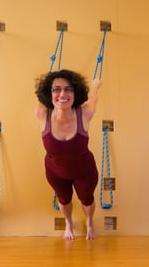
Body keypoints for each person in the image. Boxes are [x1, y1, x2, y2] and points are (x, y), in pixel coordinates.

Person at [35, 69, 102, 240]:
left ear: (76, 93)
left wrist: (94, 87)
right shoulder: (42, 114)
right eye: (56, 89)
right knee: (63, 200)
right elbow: (41, 96)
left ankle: (89, 222)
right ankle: (69, 224)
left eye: (68, 89)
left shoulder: (85, 114)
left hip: (84, 171)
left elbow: (93, 99)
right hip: (55, 172)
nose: (62, 94)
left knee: (87, 199)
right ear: (49, 93)